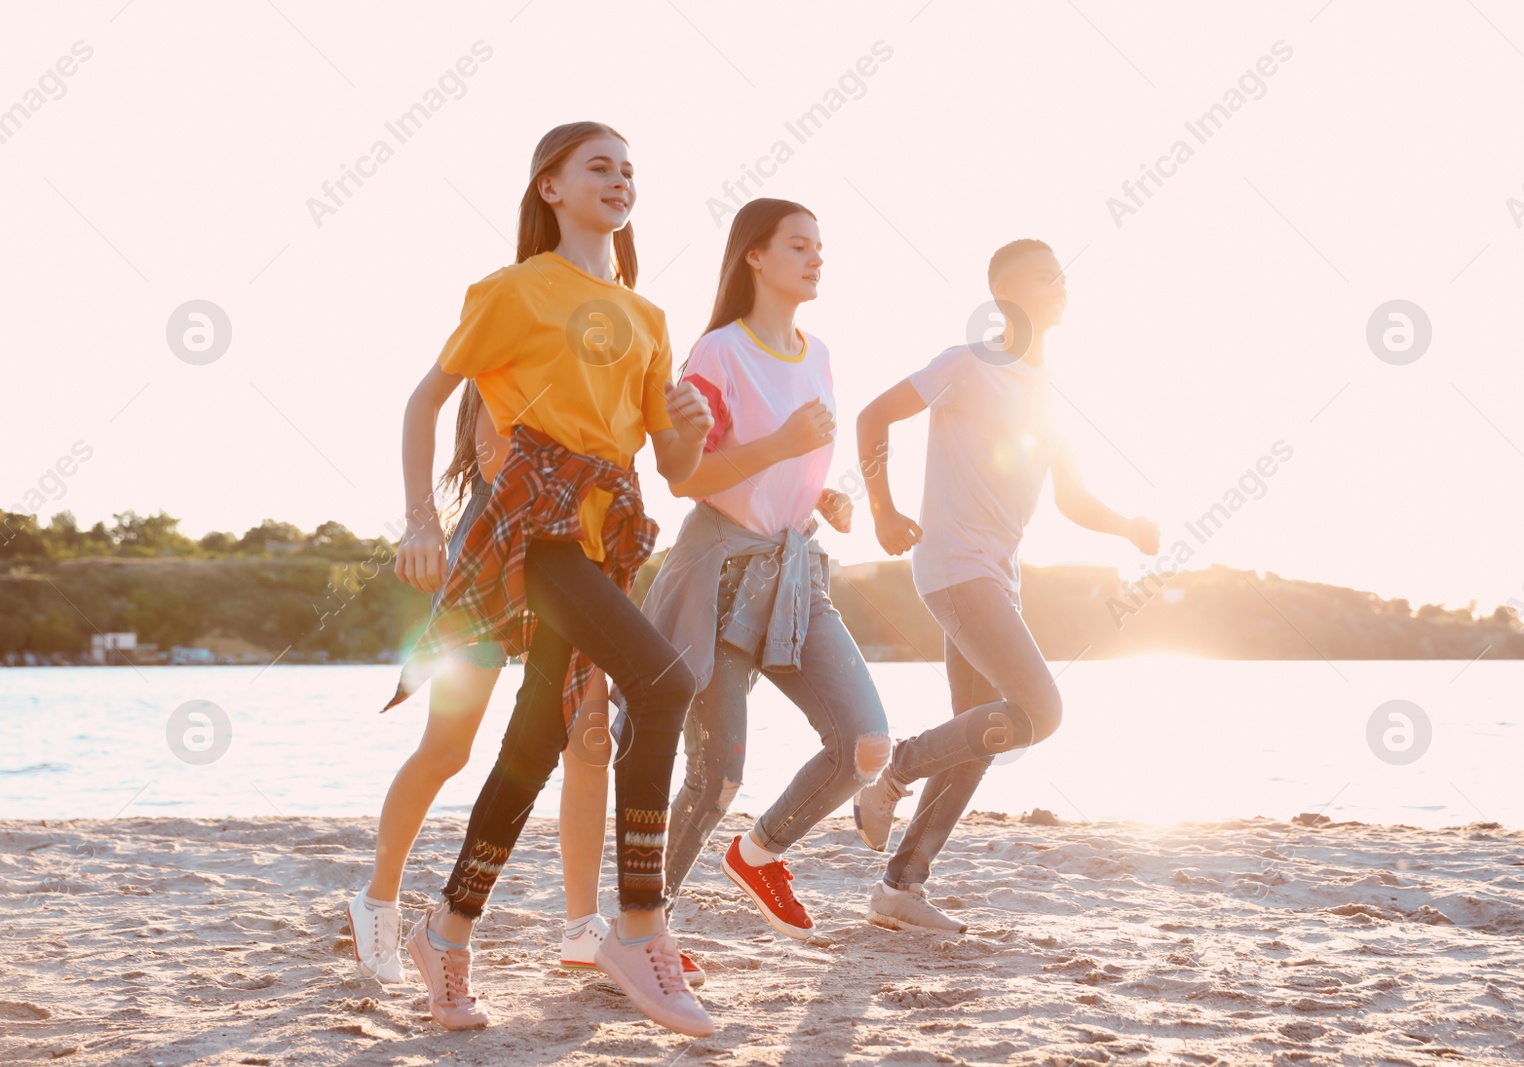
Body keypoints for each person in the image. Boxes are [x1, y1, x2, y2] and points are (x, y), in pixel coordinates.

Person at [386, 121, 716, 1036]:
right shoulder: (514, 291)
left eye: (628, 170)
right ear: (550, 189)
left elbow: (676, 467)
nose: (619, 180)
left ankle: (445, 932)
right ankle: (640, 925)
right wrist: (421, 516)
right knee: (666, 682)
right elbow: (427, 396)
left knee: (536, 740)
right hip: (533, 528)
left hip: (604, 536)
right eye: (597, 167)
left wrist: (687, 419)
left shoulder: (648, 315)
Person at [851, 238, 1159, 931]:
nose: (1062, 286)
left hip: (997, 576)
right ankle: (894, 774)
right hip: (955, 568)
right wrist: (882, 509)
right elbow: (874, 415)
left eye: (1063, 276)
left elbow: (1071, 498)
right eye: (1047, 277)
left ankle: (900, 887)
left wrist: (1126, 526)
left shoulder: (1048, 389)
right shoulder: (967, 364)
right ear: (1008, 293)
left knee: (980, 733)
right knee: (1039, 711)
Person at [350, 386, 702, 987]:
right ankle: (378, 902)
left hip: (573, 560)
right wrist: (421, 520)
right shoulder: (523, 341)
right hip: (492, 553)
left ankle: (582, 926)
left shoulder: (611, 350)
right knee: (448, 750)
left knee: (588, 744)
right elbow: (492, 453)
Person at [631, 199, 891, 941]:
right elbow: (689, 475)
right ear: (754, 255)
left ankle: (761, 851)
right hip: (720, 574)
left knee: (865, 742)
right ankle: (644, 927)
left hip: (795, 572)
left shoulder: (819, 353)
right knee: (716, 778)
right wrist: (781, 446)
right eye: (799, 246)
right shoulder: (718, 352)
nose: (816, 259)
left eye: (820, 248)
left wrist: (825, 493)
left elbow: (792, 464)